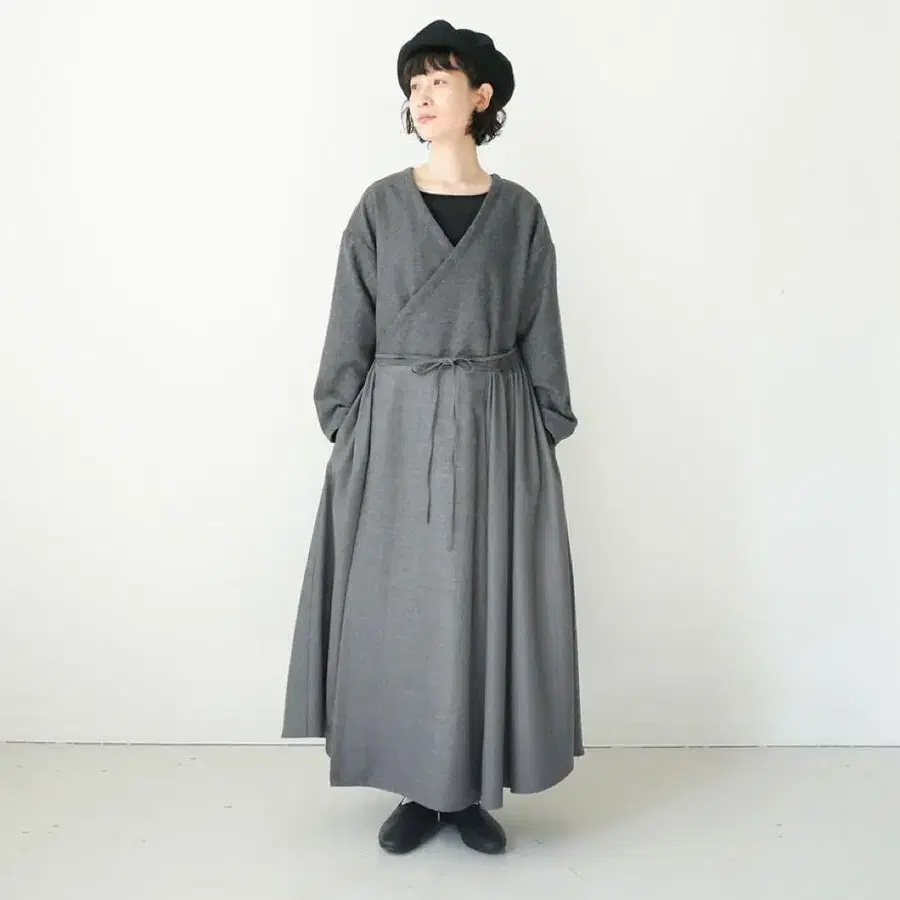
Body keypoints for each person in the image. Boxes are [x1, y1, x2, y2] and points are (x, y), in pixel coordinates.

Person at [281, 19, 583, 855]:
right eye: (414, 83)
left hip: (495, 429)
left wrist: (542, 426)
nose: (422, 95)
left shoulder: (519, 214)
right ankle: (417, 787)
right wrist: (347, 422)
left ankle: (468, 790)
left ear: (481, 97)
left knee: (479, 607)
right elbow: (349, 325)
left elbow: (540, 329)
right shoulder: (380, 206)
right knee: (401, 609)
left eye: (439, 81)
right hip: (395, 428)